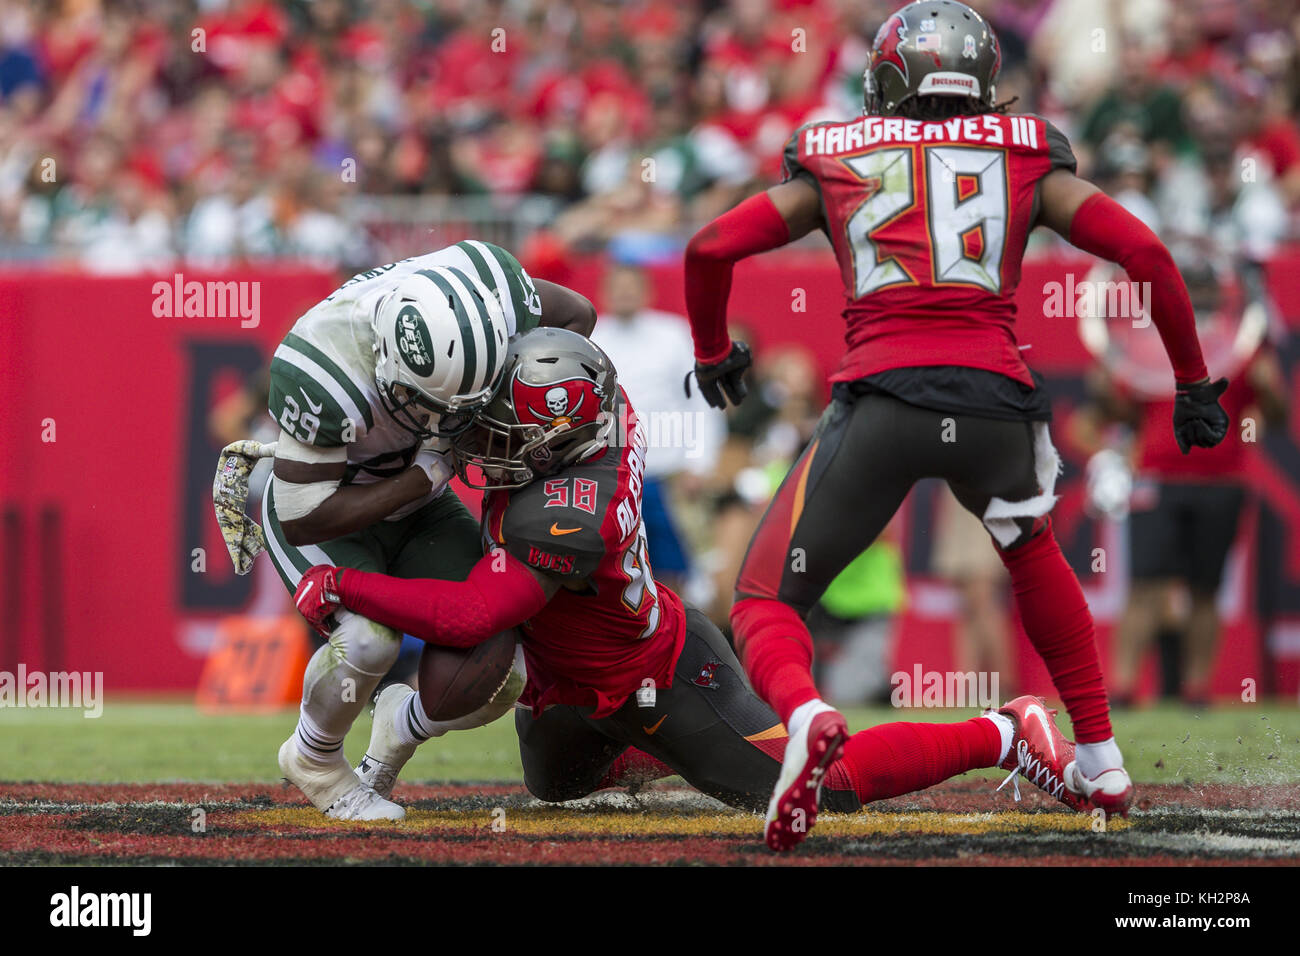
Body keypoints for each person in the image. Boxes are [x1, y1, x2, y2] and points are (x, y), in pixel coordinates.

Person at [680, 0, 1230, 848]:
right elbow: (1146, 254)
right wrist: (1192, 380)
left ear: (889, 79)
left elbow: (711, 246)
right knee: (1033, 551)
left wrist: (716, 351)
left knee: (762, 597)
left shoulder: (837, 151)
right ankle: (1101, 755)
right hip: (995, 405)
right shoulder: (1025, 156)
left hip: (883, 400)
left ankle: (807, 717)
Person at [291, 328, 1085, 851]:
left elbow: (472, 613)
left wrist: (342, 581)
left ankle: (1004, 732)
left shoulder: (564, 509)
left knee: (823, 795)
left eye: (504, 432)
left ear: (554, 438)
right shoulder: (598, 409)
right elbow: (565, 318)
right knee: (555, 790)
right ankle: (663, 753)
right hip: (573, 674)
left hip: (660, 678)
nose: (482, 441)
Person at [212, 240, 596, 820]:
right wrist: (420, 478)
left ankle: (400, 726)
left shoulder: (493, 287)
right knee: (368, 640)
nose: (447, 422)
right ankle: (314, 757)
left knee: (502, 672)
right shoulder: (326, 365)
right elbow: (302, 514)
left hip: (421, 501)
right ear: (387, 365)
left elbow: (575, 319)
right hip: (330, 504)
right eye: (430, 406)